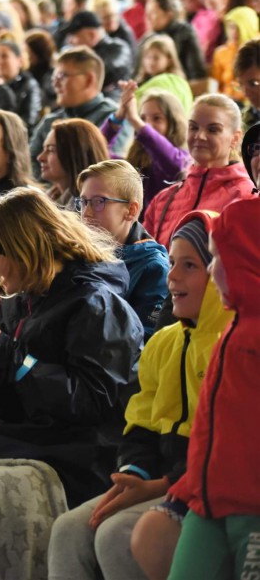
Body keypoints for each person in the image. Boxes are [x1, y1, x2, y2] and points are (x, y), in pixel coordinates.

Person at [0, 187, 144, 509]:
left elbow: (90, 404)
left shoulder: (96, 306)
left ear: (24, 250)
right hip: (20, 447)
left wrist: (6, 355)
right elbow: (11, 406)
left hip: (73, 463)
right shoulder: (19, 305)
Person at [48, 209, 230, 580]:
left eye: (190, 265)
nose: (172, 276)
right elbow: (141, 418)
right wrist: (134, 471)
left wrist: (162, 484)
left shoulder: (232, 346)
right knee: (68, 530)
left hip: (203, 484)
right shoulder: (163, 342)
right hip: (157, 477)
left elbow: (228, 445)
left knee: (117, 535)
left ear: (220, 273)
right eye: (172, 263)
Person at [149, 198, 260, 580]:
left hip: (252, 512)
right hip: (206, 500)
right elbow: (209, 425)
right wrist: (191, 482)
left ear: (248, 260)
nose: (213, 271)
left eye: (218, 259)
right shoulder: (232, 331)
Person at [144, 94, 255, 247]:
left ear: (235, 138)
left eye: (213, 130)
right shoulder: (163, 200)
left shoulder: (245, 197)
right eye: (193, 127)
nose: (200, 136)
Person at [77, 160, 169, 338]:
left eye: (99, 202)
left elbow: (144, 338)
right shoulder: (79, 254)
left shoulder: (154, 268)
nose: (86, 213)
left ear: (131, 210)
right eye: (83, 202)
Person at [29, 46, 127, 177]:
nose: (55, 84)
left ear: (89, 80)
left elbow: (108, 170)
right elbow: (29, 163)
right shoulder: (50, 121)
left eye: (62, 76)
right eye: (54, 77)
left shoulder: (115, 118)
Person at [101, 83, 191, 209]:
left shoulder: (183, 158)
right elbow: (96, 152)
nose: (147, 124)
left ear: (173, 123)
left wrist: (135, 120)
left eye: (157, 118)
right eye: (142, 118)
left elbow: (176, 166)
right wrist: (119, 116)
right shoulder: (133, 163)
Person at [144, 0, 209, 95]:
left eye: (153, 13)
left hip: (179, 88)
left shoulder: (185, 33)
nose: (148, 18)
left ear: (169, 14)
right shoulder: (149, 37)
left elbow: (197, 74)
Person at [37, 119, 110, 209]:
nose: (40, 157)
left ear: (76, 154)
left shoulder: (88, 208)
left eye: (51, 149)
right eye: (44, 149)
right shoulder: (50, 197)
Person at [66, 11, 133, 100]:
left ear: (91, 35)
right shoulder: (82, 54)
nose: (70, 41)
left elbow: (105, 71)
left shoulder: (119, 49)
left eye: (75, 36)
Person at [0, 40, 43, 132]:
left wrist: (3, 89)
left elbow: (28, 122)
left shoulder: (29, 85)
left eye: (4, 56)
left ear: (19, 60)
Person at [210, 6, 260, 100]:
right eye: (231, 27)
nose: (234, 32)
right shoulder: (221, 53)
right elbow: (214, 83)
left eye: (239, 27)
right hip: (227, 102)